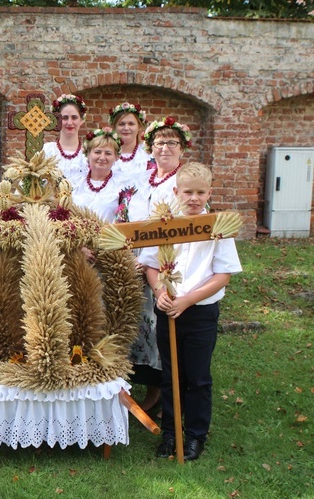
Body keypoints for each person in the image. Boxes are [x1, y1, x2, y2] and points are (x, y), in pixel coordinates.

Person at [139, 162, 242, 461]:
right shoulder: (162, 225)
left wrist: (187, 300)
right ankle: (171, 433)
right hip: (168, 309)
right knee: (171, 374)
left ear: (209, 192)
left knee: (197, 376)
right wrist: (160, 293)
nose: (194, 198)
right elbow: (152, 266)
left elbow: (222, 275)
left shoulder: (218, 227)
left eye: (200, 192)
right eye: (188, 192)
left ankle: (195, 434)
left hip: (200, 312)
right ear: (176, 192)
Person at [118, 116, 195, 415]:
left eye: (172, 142)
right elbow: (123, 220)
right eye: (159, 142)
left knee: (165, 330)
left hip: (168, 268)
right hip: (134, 266)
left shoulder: (185, 184)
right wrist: (127, 254)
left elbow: (193, 228)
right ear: (150, 147)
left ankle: (168, 393)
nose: (165, 148)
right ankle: (151, 388)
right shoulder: (139, 183)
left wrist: (158, 260)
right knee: (142, 331)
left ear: (182, 148)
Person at [42, 94, 89, 179]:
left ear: (81, 120)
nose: (69, 123)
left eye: (74, 118)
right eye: (65, 118)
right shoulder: (47, 151)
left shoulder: (88, 153)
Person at [109, 102, 151, 178]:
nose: (126, 128)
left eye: (131, 124)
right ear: (114, 128)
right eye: (121, 124)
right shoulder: (106, 152)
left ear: (139, 127)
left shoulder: (148, 154)